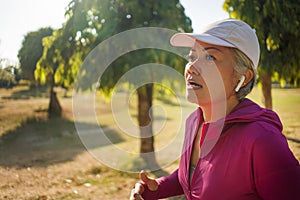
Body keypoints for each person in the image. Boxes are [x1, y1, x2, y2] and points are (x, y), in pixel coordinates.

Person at [129, 18, 300, 200]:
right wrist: (157, 189)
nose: (192, 68)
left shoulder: (263, 140)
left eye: (210, 57)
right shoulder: (194, 121)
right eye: (192, 56)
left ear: (243, 77)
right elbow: (195, 175)